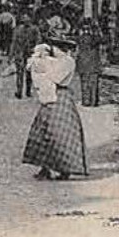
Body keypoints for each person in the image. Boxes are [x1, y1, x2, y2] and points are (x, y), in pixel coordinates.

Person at [21, 18, 89, 180]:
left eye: (57, 47)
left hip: (61, 96)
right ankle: (45, 168)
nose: (54, 50)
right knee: (42, 132)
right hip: (51, 97)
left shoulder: (68, 62)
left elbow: (55, 77)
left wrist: (44, 70)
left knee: (62, 134)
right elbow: (35, 67)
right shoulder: (55, 61)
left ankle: (64, 169)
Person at [76, 17, 105, 107]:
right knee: (93, 83)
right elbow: (102, 40)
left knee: (85, 83)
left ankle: (86, 101)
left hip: (84, 64)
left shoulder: (80, 38)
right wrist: (97, 29)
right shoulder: (95, 39)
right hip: (93, 64)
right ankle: (93, 102)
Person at [9, 12, 38, 99]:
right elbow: (13, 42)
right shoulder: (18, 30)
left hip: (29, 53)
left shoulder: (34, 30)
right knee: (20, 73)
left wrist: (35, 50)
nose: (26, 20)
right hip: (21, 53)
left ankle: (26, 91)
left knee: (28, 73)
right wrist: (11, 54)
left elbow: (38, 41)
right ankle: (20, 91)